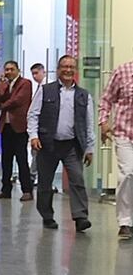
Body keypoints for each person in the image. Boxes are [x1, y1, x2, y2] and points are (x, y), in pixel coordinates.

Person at [28, 55, 95, 232]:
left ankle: (81, 217)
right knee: (45, 182)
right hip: (47, 144)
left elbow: (89, 123)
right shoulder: (45, 90)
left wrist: (89, 147)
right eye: (64, 66)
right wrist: (33, 136)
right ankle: (47, 216)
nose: (68, 70)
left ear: (75, 71)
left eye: (71, 67)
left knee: (77, 179)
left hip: (72, 146)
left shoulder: (84, 95)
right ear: (58, 70)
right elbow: (33, 114)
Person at [99, 57, 133, 241]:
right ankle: (125, 222)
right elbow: (106, 99)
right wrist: (103, 122)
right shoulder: (123, 71)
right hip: (124, 132)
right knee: (127, 173)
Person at [0, 60, 34, 201]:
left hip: (20, 127)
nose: (9, 72)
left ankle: (27, 190)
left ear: (18, 70)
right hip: (6, 127)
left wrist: (2, 106)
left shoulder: (25, 83)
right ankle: (5, 190)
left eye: (11, 69)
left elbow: (17, 100)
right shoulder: (6, 85)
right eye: (6, 69)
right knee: (6, 160)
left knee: (21, 159)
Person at [29, 62, 47, 186]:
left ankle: (33, 176)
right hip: (37, 127)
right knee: (35, 154)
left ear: (43, 72)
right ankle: (34, 176)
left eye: (37, 73)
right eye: (33, 74)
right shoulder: (39, 87)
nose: (35, 76)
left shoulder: (46, 87)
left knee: (38, 155)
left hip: (44, 127)